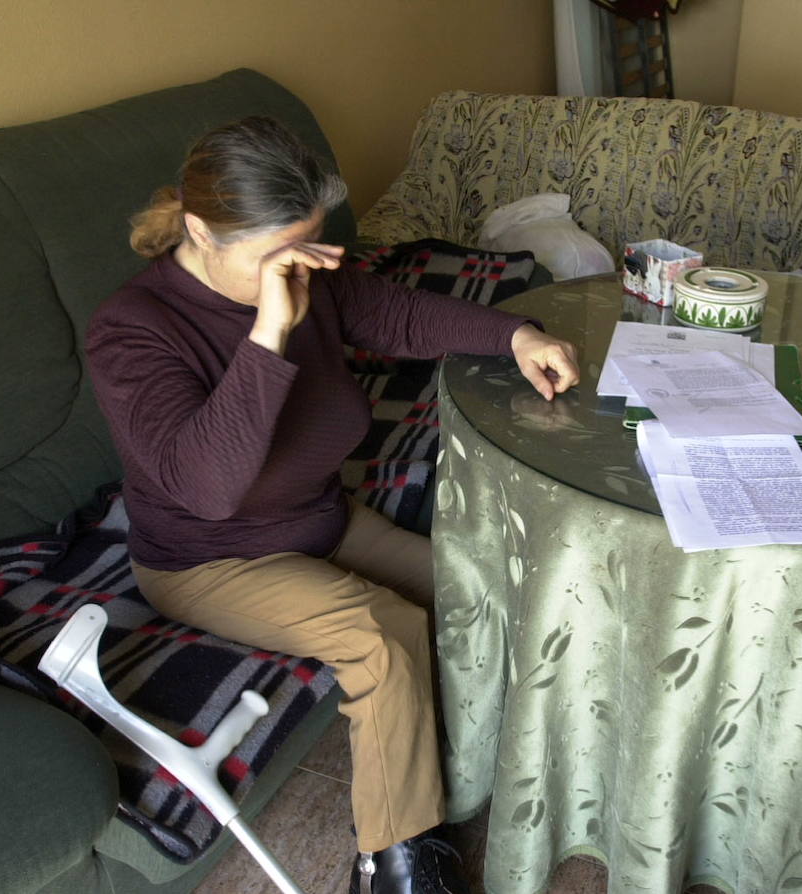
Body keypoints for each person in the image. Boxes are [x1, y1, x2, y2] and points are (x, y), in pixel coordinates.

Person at [85, 116, 578, 894]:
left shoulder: (307, 276)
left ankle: (507, 754)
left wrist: (516, 335)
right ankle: (396, 862)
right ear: (200, 231)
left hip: (322, 521)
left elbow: (401, 314)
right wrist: (270, 331)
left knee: (495, 582)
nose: (302, 271)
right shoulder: (131, 331)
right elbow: (209, 488)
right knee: (383, 634)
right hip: (209, 558)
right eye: (277, 255)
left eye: (310, 242)